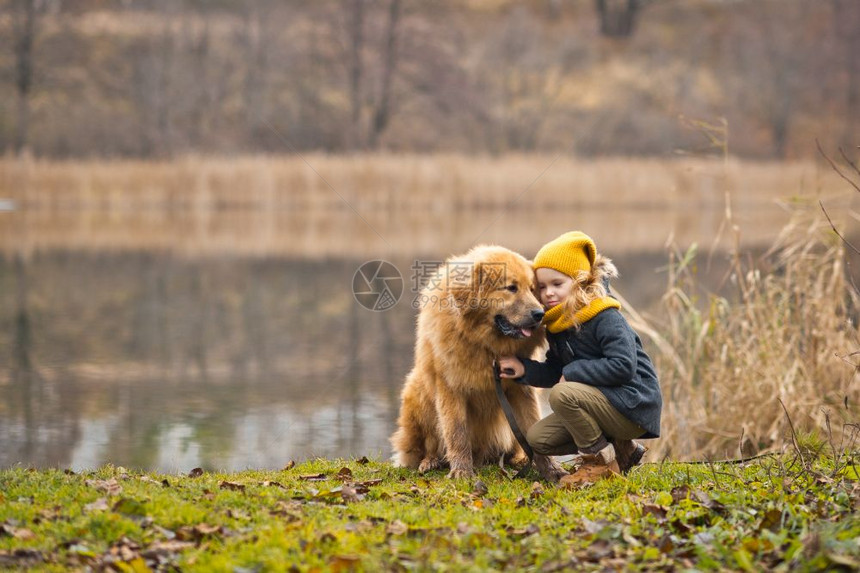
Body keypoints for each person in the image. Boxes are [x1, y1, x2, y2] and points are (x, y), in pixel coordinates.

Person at [498, 231, 662, 484]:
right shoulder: (559, 325)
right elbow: (556, 371)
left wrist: (573, 373)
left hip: (633, 404)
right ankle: (624, 450)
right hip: (604, 403)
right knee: (539, 438)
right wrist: (524, 369)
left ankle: (599, 463)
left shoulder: (605, 316)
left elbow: (624, 366)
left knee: (563, 394)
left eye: (557, 284)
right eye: (541, 287)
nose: (548, 293)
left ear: (579, 282)